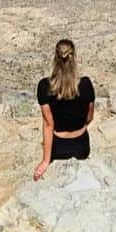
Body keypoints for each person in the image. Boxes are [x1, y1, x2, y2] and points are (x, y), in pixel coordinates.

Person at [34, 37, 95, 180]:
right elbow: (89, 117)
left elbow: (49, 125)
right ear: (74, 58)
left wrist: (45, 161)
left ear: (55, 59)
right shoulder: (86, 85)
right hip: (81, 146)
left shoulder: (44, 87)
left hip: (58, 148)